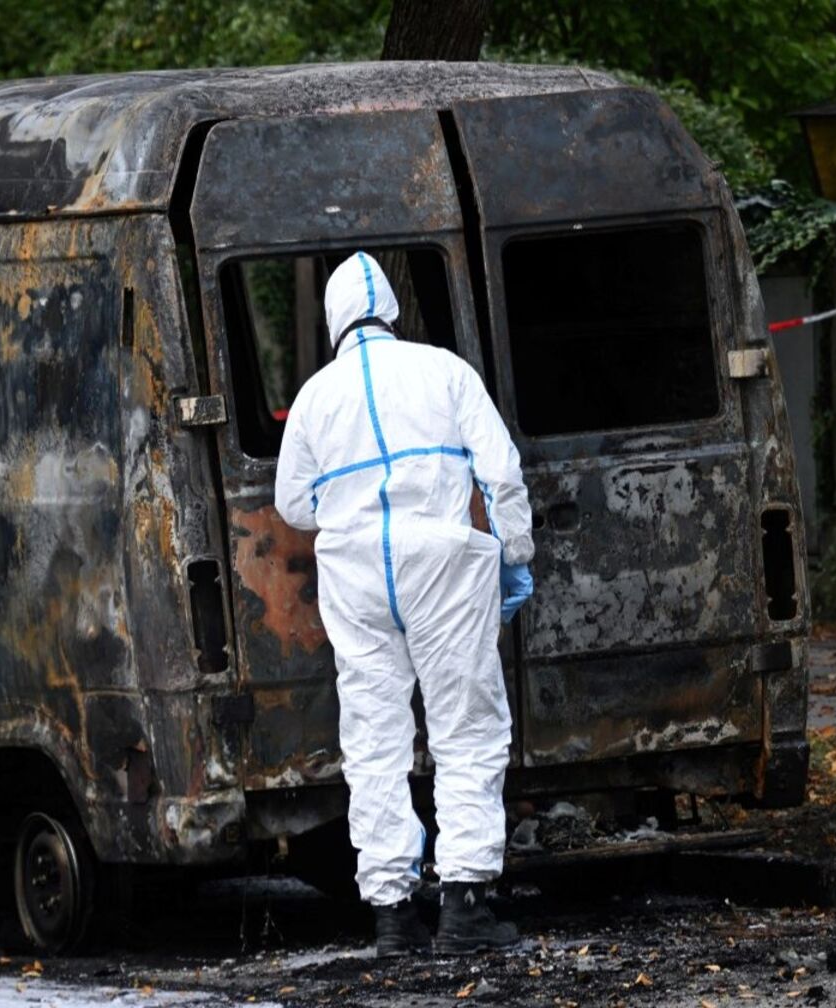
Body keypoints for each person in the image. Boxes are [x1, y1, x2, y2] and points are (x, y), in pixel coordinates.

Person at [274, 251, 535, 956]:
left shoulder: (316, 398)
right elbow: (501, 467)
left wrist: (352, 504)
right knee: (466, 729)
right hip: (442, 567)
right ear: (390, 309)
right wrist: (514, 552)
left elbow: (291, 501)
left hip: (357, 576)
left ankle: (393, 916)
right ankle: (466, 906)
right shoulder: (443, 370)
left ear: (332, 323)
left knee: (375, 740)